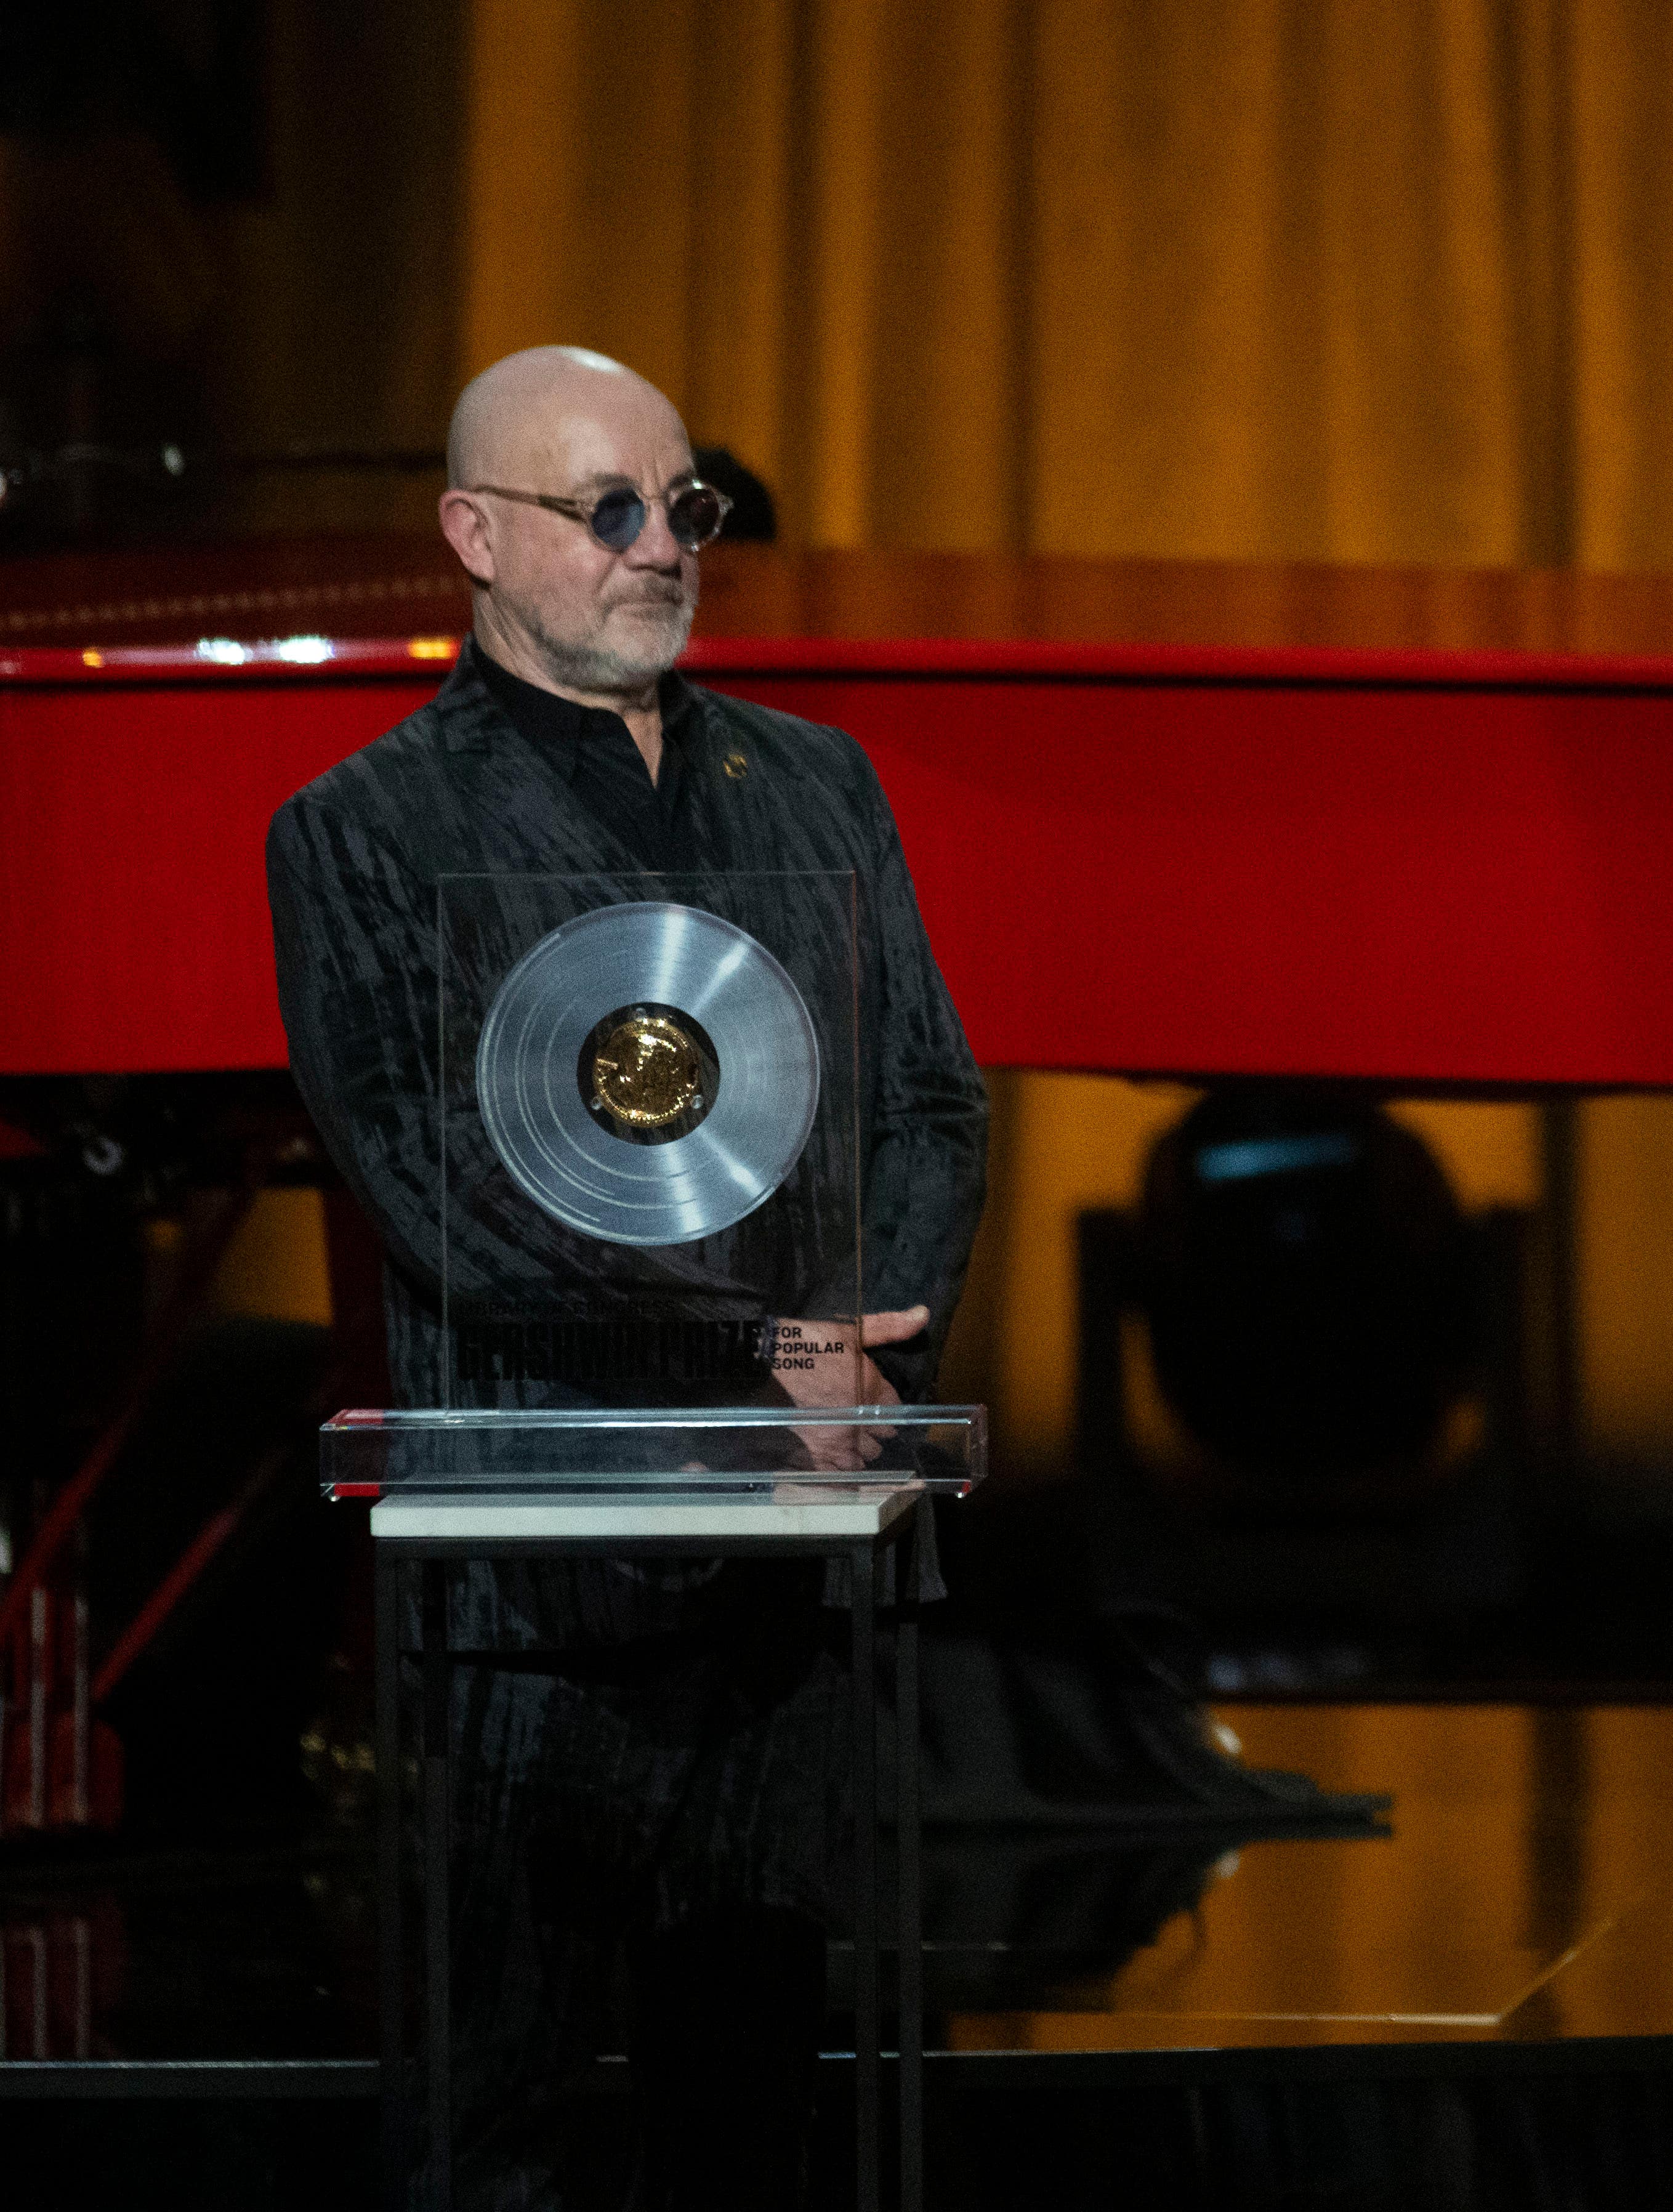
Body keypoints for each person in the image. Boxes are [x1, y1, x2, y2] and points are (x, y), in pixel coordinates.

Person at [266, 345, 988, 2207]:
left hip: (791, 1572)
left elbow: (928, 1100)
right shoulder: (363, 832)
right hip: (538, 1588)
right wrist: (767, 1350)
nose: (659, 544)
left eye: (686, 506)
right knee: (490, 2124)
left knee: (750, 2119)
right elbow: (443, 1191)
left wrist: (869, 1345)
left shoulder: (815, 785)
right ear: (473, 537)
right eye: (606, 511)